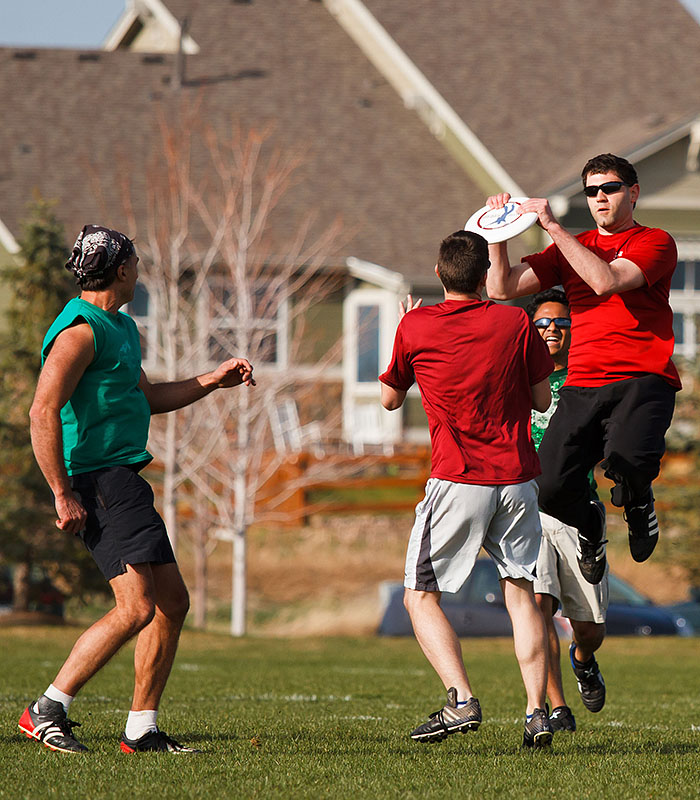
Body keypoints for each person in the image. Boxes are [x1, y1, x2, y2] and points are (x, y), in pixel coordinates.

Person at [19, 225, 255, 754]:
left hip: (123, 479)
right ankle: (47, 708)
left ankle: (141, 729)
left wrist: (212, 381)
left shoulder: (119, 327)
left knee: (171, 601)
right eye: (136, 261)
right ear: (122, 270)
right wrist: (61, 491)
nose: (139, 269)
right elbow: (41, 410)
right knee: (137, 607)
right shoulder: (80, 332)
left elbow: (147, 396)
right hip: (97, 480)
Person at [379, 230, 556, 748]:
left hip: (459, 479)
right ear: (485, 277)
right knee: (523, 596)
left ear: (439, 274)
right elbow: (543, 398)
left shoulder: (416, 325)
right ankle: (536, 712)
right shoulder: (516, 321)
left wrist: (404, 331)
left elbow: (390, 401)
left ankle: (461, 699)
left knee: (418, 596)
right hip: (519, 479)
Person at [485, 153, 680, 585]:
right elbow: (500, 288)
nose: (599, 198)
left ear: (633, 192)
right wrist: (496, 232)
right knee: (549, 488)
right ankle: (591, 528)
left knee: (627, 460)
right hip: (583, 384)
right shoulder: (570, 250)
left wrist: (554, 227)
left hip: (641, 379)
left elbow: (605, 281)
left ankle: (639, 500)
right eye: (591, 192)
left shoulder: (656, 241)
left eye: (608, 188)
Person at [528, 289, 607, 732]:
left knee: (589, 626)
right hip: (527, 508)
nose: (551, 329)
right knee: (538, 604)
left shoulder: (586, 379)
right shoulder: (517, 379)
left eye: (560, 321)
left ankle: (583, 658)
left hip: (579, 511)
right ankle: (557, 708)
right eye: (542, 322)